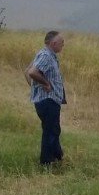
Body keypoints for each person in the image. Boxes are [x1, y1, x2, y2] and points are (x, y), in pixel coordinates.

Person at [25, 30, 67, 167]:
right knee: (50, 131)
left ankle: (58, 156)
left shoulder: (47, 55)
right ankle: (46, 162)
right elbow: (31, 72)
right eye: (61, 42)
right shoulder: (46, 56)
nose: (63, 45)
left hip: (49, 100)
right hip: (48, 100)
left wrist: (34, 88)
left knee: (53, 129)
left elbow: (27, 71)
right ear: (53, 43)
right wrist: (45, 83)